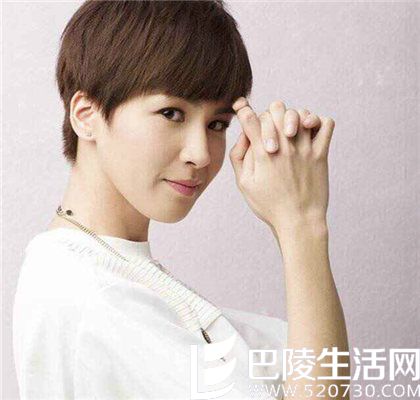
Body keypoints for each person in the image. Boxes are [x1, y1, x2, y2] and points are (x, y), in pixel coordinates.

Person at [13, 1, 349, 399]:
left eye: (217, 124)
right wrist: (301, 223)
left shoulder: (112, 274)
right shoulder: (92, 296)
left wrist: (290, 214)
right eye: (172, 114)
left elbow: (307, 370)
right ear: (86, 116)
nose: (201, 154)